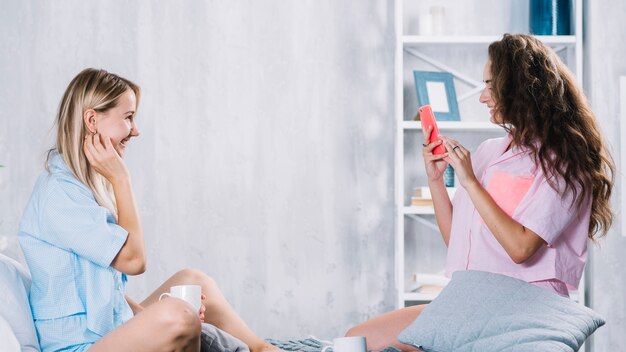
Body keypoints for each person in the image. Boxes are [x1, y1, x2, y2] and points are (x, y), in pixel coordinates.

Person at [346, 33, 615, 351]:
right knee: (356, 341)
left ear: (519, 88)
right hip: (471, 300)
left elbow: (520, 248)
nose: (482, 97)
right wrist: (436, 181)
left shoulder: (567, 165)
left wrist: (470, 182)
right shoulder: (489, 151)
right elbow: (458, 245)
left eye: (490, 85)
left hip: (526, 307)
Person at [17, 68, 278, 352]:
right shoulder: (59, 194)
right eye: (128, 117)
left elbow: (104, 289)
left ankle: (264, 349)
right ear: (92, 120)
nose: (135, 130)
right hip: (80, 347)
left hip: (108, 333)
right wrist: (121, 179)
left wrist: (148, 318)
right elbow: (134, 261)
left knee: (194, 281)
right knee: (177, 316)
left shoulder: (81, 186)